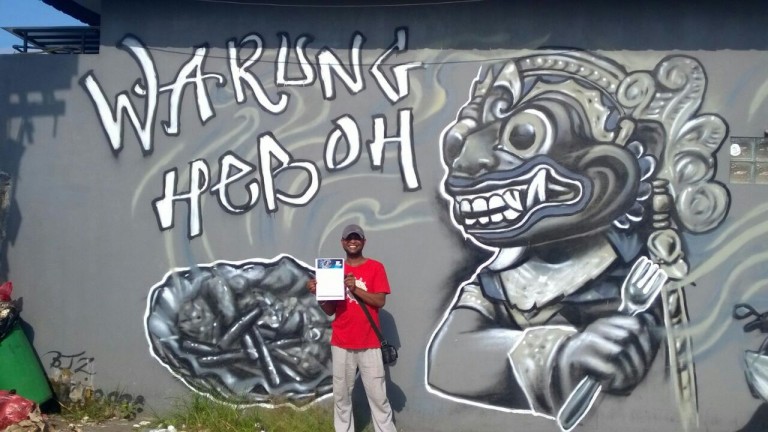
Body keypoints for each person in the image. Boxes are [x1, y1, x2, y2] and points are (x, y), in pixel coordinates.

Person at [306, 224, 397, 432]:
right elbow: (330, 310)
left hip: (370, 342)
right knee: (342, 397)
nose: (352, 241)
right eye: (349, 238)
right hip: (342, 343)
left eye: (356, 238)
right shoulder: (334, 270)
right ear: (342, 242)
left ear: (363, 241)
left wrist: (355, 288)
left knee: (379, 397)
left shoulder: (375, 267)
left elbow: (380, 301)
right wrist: (318, 294)